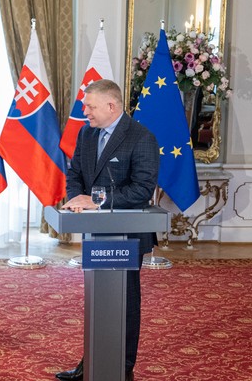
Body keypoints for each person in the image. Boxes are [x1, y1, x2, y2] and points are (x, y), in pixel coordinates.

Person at [57, 79, 159, 381]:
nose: (84, 111)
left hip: (126, 235)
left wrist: (96, 201)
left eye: (90, 106)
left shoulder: (141, 137)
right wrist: (76, 198)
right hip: (97, 232)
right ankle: (91, 363)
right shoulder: (87, 134)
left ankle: (122, 368)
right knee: (97, 300)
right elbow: (75, 172)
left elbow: (142, 189)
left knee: (124, 304)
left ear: (111, 106)